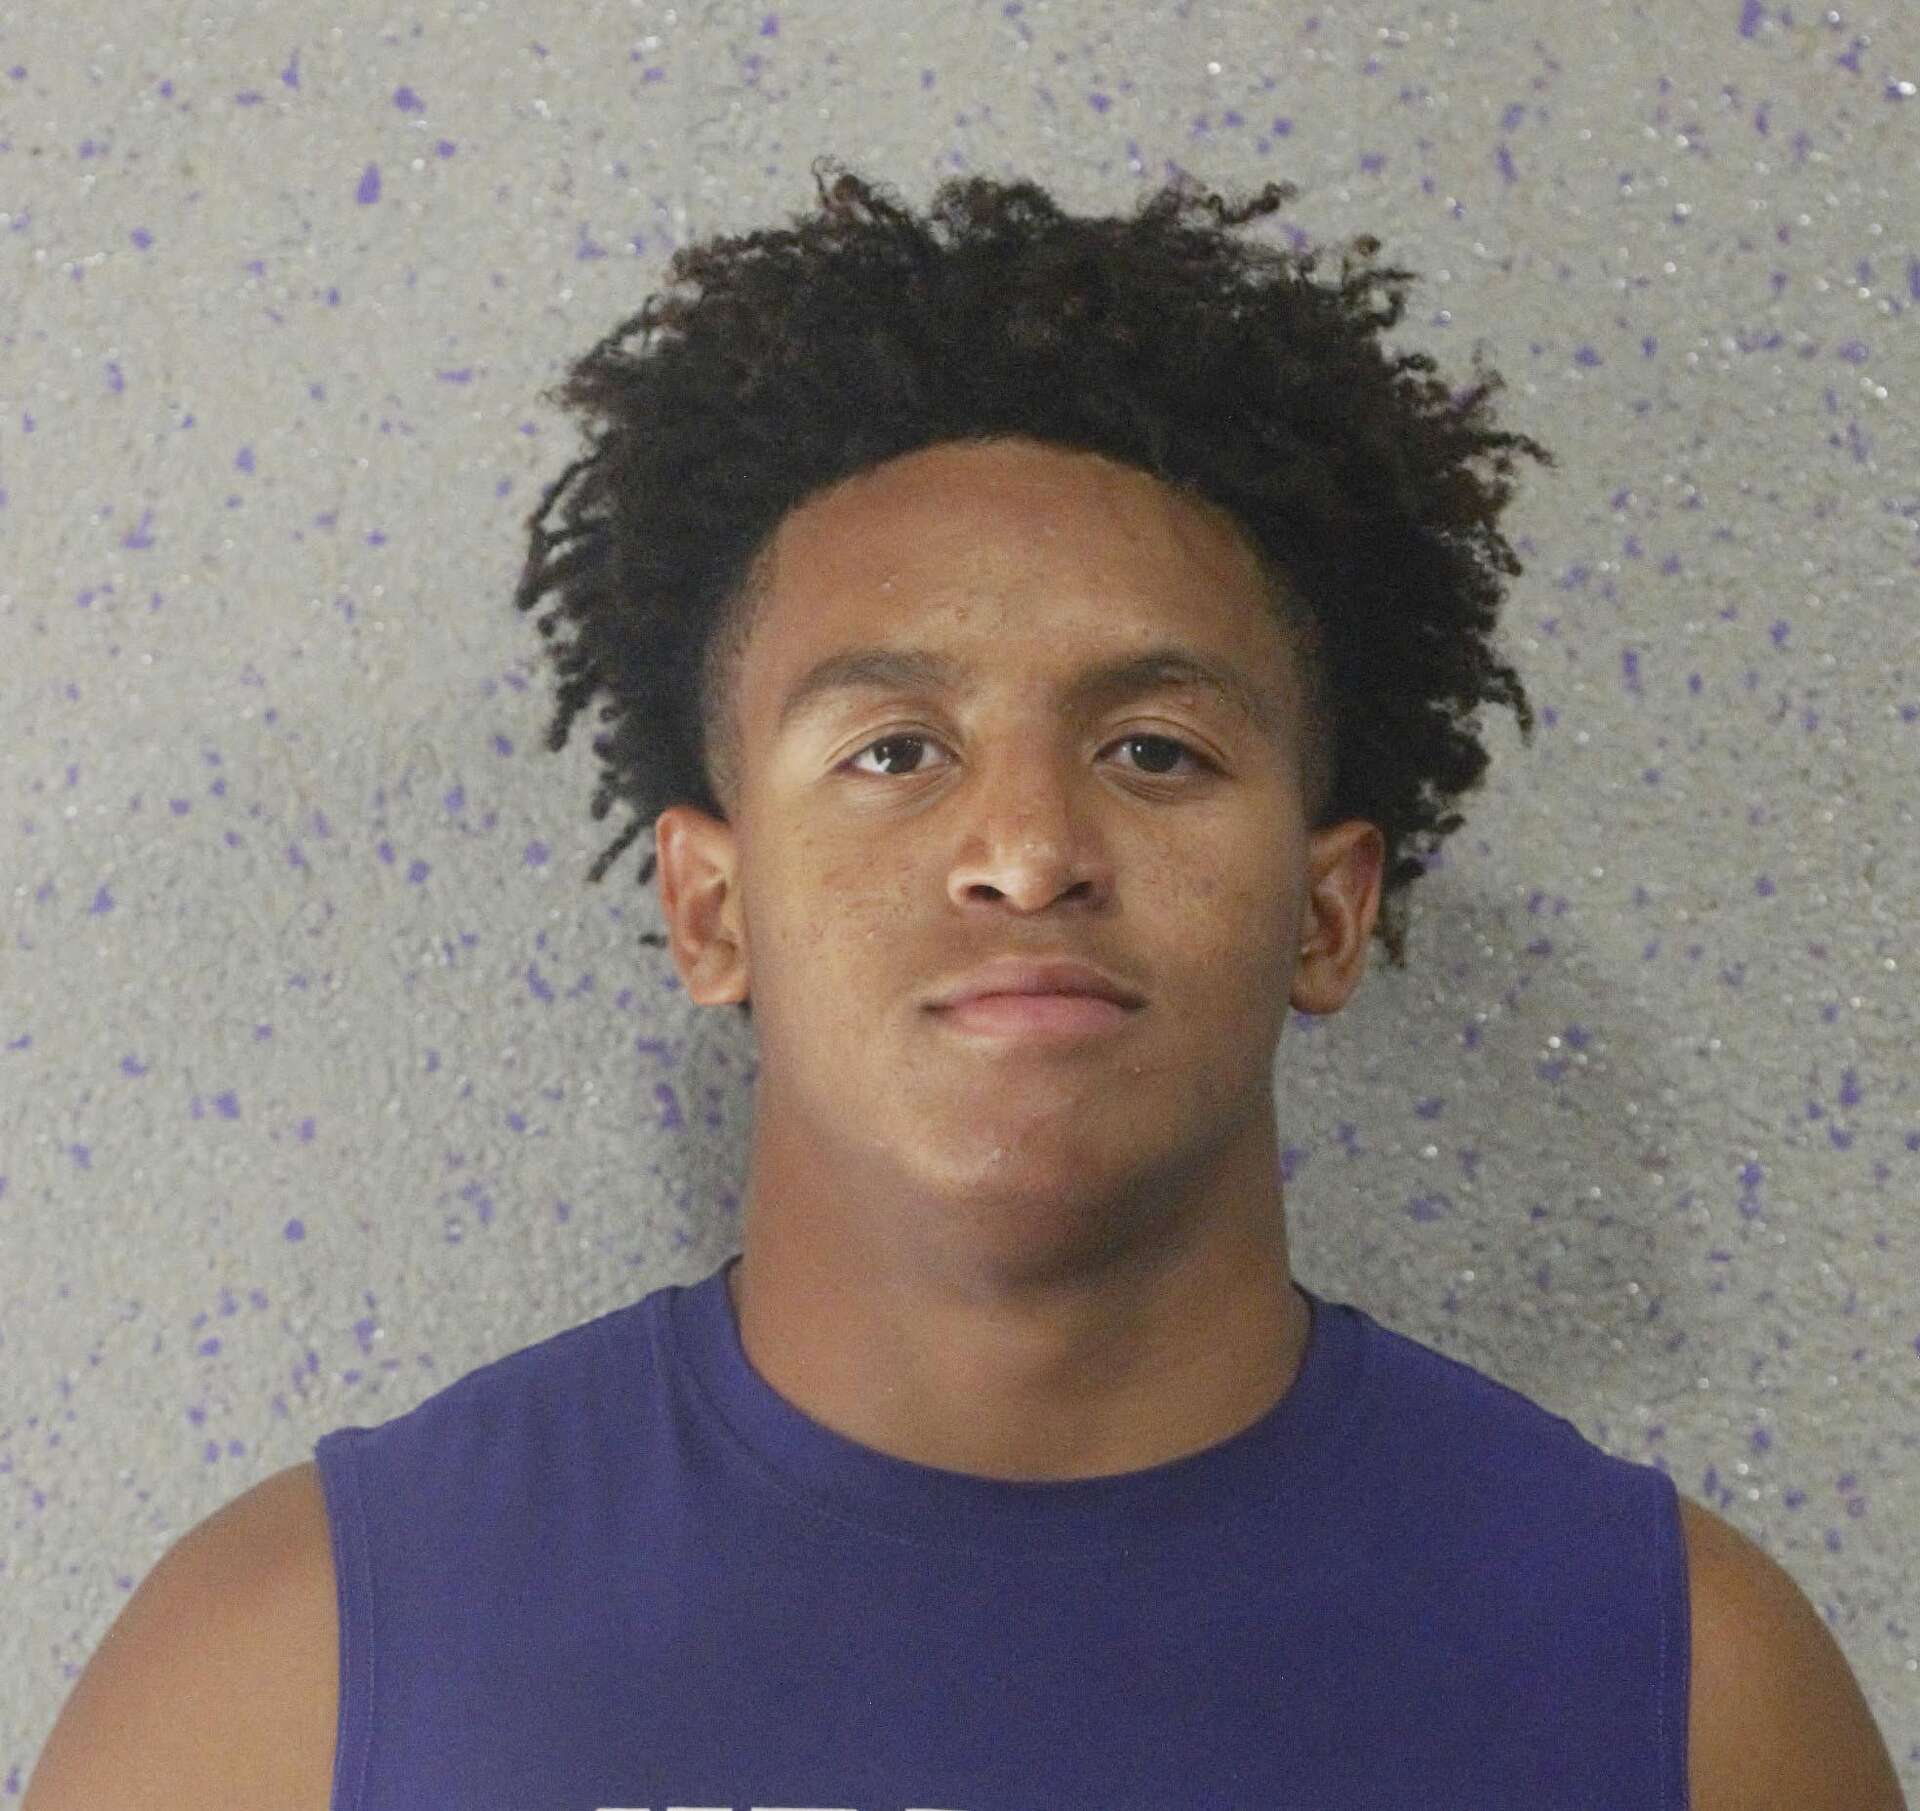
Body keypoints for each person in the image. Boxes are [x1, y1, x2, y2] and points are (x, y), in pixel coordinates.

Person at [26, 159, 1906, 1811]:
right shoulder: (284, 1676)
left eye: (1156, 749)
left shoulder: (1689, 1689)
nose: (1025, 848)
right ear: (711, 906)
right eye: (895, 750)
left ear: (1330, 913)